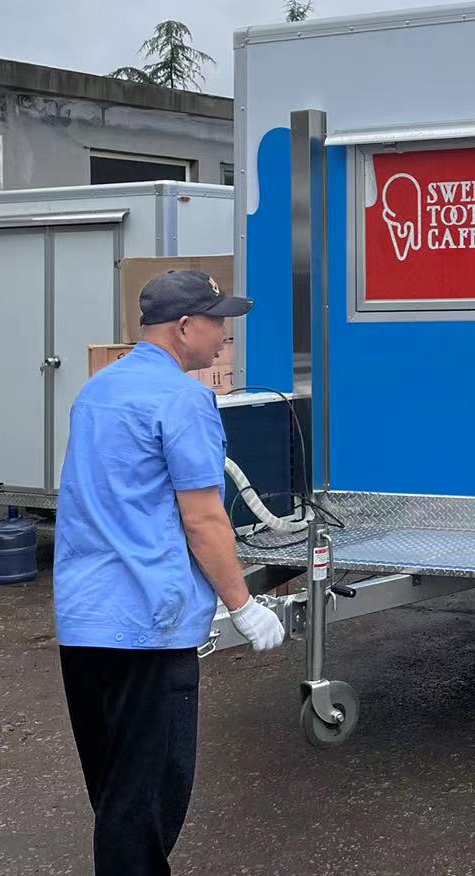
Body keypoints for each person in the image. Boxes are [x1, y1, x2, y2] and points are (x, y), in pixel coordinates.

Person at [53, 270, 285, 875]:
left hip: (84, 623)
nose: (224, 337)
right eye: (218, 323)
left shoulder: (95, 392)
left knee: (114, 794)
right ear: (185, 327)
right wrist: (244, 606)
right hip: (149, 627)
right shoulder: (184, 399)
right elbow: (204, 518)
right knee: (149, 799)